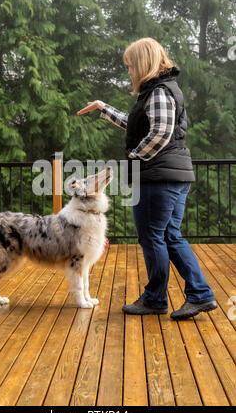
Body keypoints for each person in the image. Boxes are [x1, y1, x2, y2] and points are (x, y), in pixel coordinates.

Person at [76, 37, 217, 320]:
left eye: (130, 66)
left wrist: (133, 157)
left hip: (158, 178)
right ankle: (200, 294)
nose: (129, 72)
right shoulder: (159, 91)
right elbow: (139, 124)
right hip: (171, 175)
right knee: (169, 236)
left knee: (152, 237)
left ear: (142, 64)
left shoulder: (159, 92)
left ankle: (156, 299)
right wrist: (104, 109)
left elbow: (160, 134)